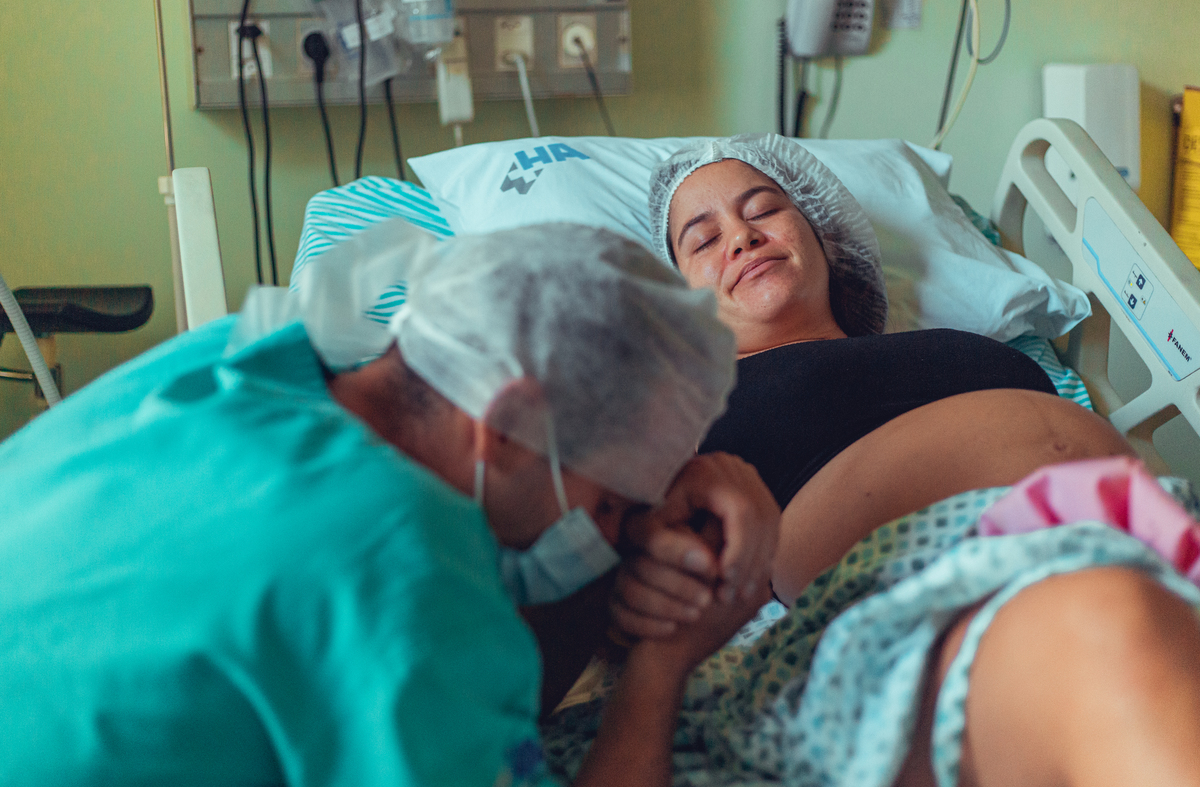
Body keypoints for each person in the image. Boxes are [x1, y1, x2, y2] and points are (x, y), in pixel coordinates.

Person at [0, 222, 781, 787]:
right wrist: (664, 662)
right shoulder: (409, 565)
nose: (610, 538)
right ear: (506, 427)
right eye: (610, 504)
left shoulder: (234, 357)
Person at [549, 135, 1200, 787]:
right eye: (702, 238)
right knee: (1109, 631)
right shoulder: (684, 415)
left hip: (1150, 528)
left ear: (822, 235)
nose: (741, 238)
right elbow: (625, 577)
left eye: (763, 210)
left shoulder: (952, 345)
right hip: (928, 595)